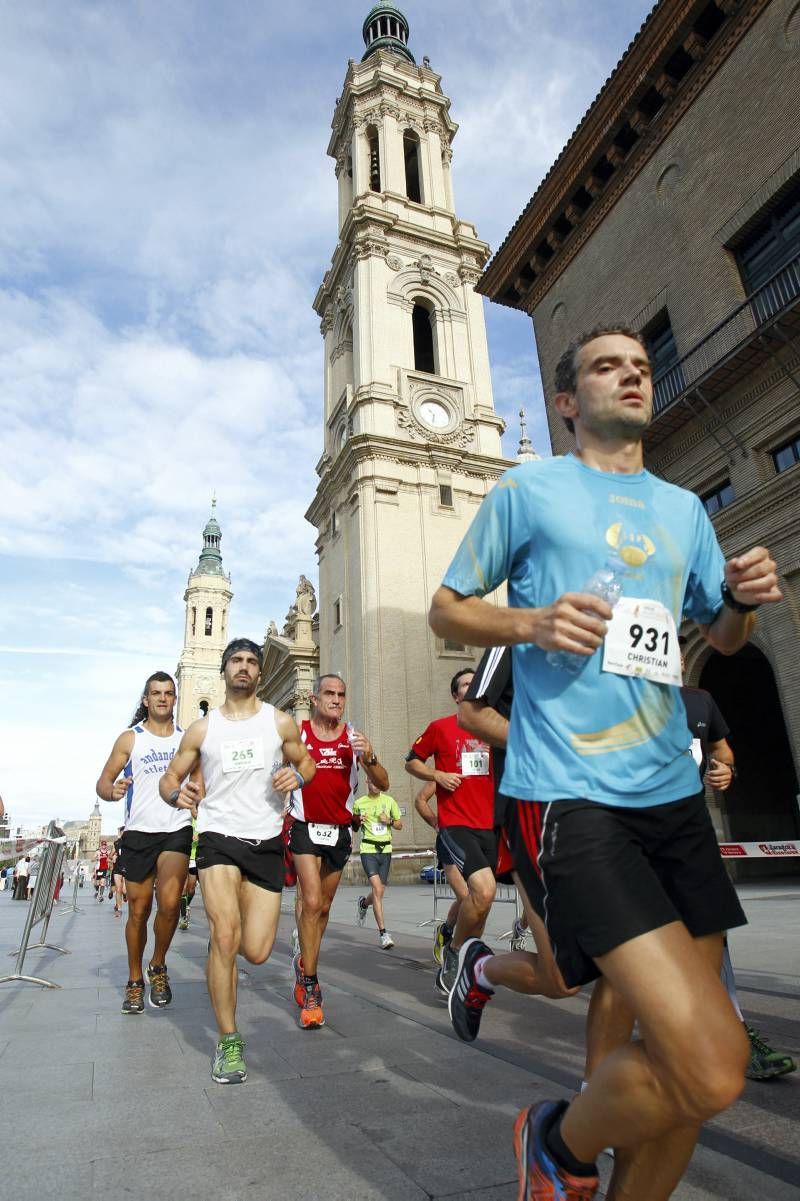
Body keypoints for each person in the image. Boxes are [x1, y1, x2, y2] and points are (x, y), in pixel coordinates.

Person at [429, 326, 782, 1201]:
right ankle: (556, 1138)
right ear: (564, 401)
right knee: (711, 1064)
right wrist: (532, 623)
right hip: (575, 798)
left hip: (673, 802)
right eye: (606, 367)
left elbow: (722, 635)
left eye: (641, 366)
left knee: (685, 1063)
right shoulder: (530, 490)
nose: (632, 375)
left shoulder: (682, 509)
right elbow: (445, 608)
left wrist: (739, 599)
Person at [160, 637, 315, 1083]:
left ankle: (224, 948)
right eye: (236, 661)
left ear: (260, 674)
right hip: (216, 837)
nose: (243, 668)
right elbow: (170, 779)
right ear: (224, 671)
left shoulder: (280, 722)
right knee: (226, 936)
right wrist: (177, 793)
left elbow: (308, 764)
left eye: (251, 662)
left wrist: (296, 775)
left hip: (265, 839)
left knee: (258, 951)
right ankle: (228, 1042)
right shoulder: (203, 730)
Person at [287, 674, 388, 1029]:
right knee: (311, 902)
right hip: (304, 826)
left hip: (339, 831)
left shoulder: (352, 737)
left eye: (341, 695)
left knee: (324, 907)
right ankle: (312, 986)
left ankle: (305, 963)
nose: (336, 700)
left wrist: (371, 755)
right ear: (314, 698)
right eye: (329, 693)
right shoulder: (297, 732)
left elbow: (384, 781)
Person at [96, 671, 193, 1014]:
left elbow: (199, 781)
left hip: (176, 828)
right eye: (156, 693)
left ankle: (159, 965)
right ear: (146, 700)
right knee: (139, 911)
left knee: (169, 903)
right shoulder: (130, 739)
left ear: (175, 699)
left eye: (169, 693)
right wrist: (113, 791)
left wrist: (196, 793)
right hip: (139, 832)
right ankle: (135, 979)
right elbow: (103, 783)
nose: (163, 698)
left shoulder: (187, 739)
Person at [405, 670, 496, 996]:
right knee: (479, 892)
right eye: (466, 685)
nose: (472, 689)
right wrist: (438, 775)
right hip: (455, 825)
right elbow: (411, 762)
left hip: (489, 827)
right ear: (456, 696)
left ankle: (466, 960)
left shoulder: (494, 730)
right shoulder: (440, 728)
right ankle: (455, 952)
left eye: (477, 684)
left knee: (482, 903)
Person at [413, 780, 469, 964]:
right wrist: (435, 822)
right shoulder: (443, 774)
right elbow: (420, 799)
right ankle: (453, 943)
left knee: (477, 898)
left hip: (475, 840)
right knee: (466, 896)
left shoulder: (479, 769)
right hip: (449, 840)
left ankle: (449, 933)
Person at [353, 780, 402, 948]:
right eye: (372, 781)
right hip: (368, 849)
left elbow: (399, 825)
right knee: (377, 888)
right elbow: (353, 825)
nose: (375, 785)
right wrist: (358, 820)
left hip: (385, 851)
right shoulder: (359, 803)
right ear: (367, 782)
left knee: (379, 892)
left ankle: (363, 903)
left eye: (378, 782)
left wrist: (388, 821)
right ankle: (383, 934)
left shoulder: (389, 801)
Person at [178, 821, 199, 931]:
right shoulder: (187, 818)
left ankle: (185, 906)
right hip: (186, 854)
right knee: (184, 888)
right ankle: (183, 918)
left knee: (191, 890)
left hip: (197, 857)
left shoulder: (204, 816)